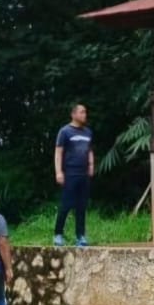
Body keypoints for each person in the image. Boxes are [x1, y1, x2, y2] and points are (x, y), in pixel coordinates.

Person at [53, 104, 95, 247]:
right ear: (74, 114)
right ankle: (58, 234)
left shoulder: (88, 132)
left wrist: (91, 165)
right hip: (70, 172)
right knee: (66, 204)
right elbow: (58, 152)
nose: (84, 115)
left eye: (85, 112)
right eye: (82, 112)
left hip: (84, 173)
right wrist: (58, 172)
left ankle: (80, 236)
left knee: (81, 205)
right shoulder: (65, 131)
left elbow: (89, 150)